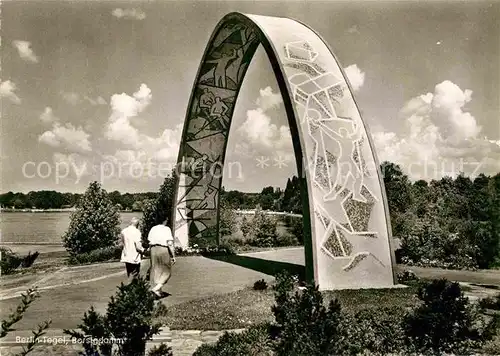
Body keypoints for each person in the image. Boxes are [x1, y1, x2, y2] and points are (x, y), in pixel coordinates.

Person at [147, 218, 176, 297]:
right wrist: (173, 255)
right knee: (167, 271)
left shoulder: (153, 228)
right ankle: (156, 289)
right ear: (165, 220)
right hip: (163, 249)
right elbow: (169, 243)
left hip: (153, 249)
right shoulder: (166, 229)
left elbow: (149, 242)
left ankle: (159, 292)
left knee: (156, 269)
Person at [119, 217, 144, 281]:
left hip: (126, 255)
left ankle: (131, 288)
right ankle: (129, 287)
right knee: (134, 274)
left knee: (129, 273)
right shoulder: (137, 232)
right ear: (137, 224)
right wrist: (143, 250)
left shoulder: (124, 231)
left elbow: (121, 244)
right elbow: (138, 246)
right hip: (134, 256)